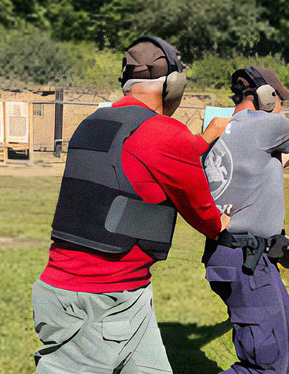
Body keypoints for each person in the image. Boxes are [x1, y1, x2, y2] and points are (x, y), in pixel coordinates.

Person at [32, 36, 228, 374]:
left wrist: (204, 138)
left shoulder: (93, 124)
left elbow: (142, 159)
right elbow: (204, 217)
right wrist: (221, 223)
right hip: (100, 303)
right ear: (173, 84)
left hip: (109, 293)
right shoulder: (167, 133)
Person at [202, 66, 289, 374]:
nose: (282, 109)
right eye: (280, 101)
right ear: (266, 96)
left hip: (243, 258)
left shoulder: (221, 129)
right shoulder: (263, 123)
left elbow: (273, 164)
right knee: (264, 365)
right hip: (245, 259)